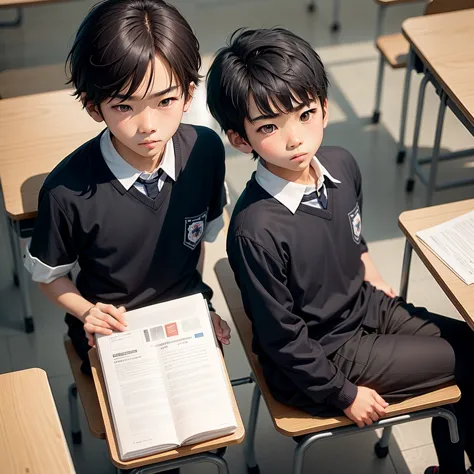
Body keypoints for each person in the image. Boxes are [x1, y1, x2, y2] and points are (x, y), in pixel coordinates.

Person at [206, 27, 474, 474]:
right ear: (240, 139)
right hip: (324, 353)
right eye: (270, 126)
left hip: (365, 306)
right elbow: (283, 340)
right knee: (468, 361)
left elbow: (353, 235)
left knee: (468, 343)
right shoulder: (254, 231)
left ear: (325, 109)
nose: (295, 138)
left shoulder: (342, 164)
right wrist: (342, 394)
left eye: (305, 114)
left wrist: (368, 266)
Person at [25, 0, 231, 381]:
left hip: (183, 313)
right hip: (111, 329)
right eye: (124, 106)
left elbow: (196, 240)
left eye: (165, 101)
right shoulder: (65, 191)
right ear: (93, 107)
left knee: (213, 430)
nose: (147, 126)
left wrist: (194, 304)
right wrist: (88, 312)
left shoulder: (205, 151)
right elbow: (49, 275)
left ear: (188, 95)